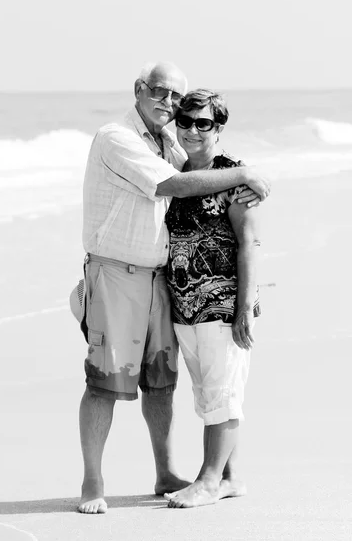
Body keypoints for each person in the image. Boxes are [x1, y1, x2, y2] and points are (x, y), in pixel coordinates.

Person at [76, 62, 270, 514]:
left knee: (165, 383)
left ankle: (179, 473)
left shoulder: (170, 142)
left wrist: (246, 301)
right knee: (104, 382)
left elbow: (240, 229)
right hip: (119, 275)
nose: (174, 110)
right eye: (164, 95)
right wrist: (245, 174)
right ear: (139, 89)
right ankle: (93, 482)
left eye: (184, 106)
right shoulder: (116, 137)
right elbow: (173, 184)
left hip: (171, 285)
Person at [164, 89, 261, 509]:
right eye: (184, 121)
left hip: (223, 306)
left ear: (218, 127)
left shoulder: (235, 176)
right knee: (208, 393)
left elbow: (250, 244)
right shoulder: (176, 173)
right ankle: (231, 476)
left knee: (222, 393)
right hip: (185, 308)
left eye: (202, 123)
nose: (191, 130)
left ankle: (207, 481)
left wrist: (244, 307)